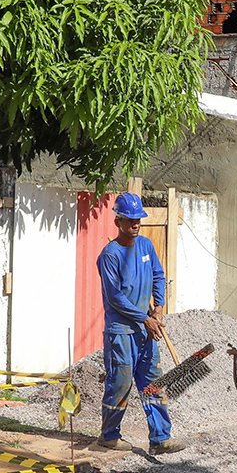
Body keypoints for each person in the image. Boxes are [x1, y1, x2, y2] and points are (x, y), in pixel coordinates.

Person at [96, 192, 185, 455]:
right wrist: (144, 318)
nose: (135, 224)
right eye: (130, 220)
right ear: (118, 221)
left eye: (138, 219)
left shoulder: (146, 246)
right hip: (122, 332)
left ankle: (160, 438)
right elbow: (115, 298)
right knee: (120, 383)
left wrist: (158, 308)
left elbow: (158, 275)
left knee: (153, 382)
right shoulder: (110, 255)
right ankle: (109, 436)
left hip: (147, 329)